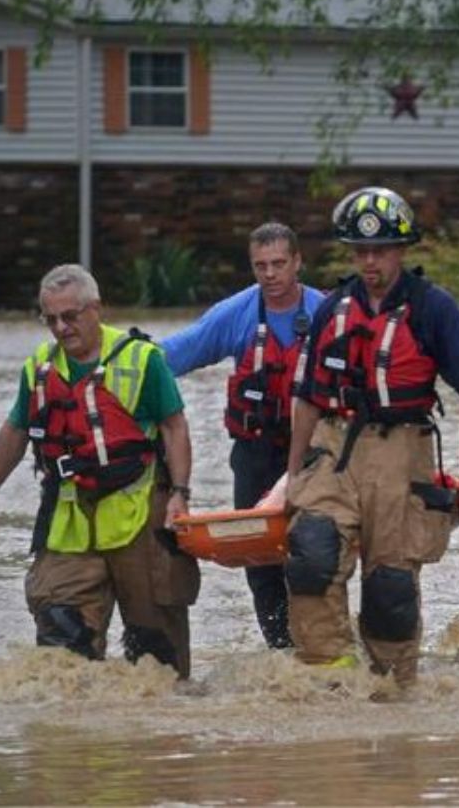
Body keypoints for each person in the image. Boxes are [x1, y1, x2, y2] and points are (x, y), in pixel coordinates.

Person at [284, 186, 459, 687]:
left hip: (401, 454)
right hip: (334, 447)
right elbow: (305, 396)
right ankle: (329, 681)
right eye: (361, 251)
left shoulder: (432, 308)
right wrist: (291, 472)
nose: (370, 261)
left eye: (381, 250)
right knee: (312, 553)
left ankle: (393, 691)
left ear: (402, 250)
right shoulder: (332, 309)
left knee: (390, 588)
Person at [0, 265, 199, 678]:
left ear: (95, 309)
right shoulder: (39, 369)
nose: (61, 328)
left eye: (70, 316)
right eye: (50, 319)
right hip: (70, 517)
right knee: (61, 658)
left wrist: (180, 493)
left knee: (157, 663)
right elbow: (16, 428)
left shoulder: (143, 360)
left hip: (138, 514)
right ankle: (74, 738)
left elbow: (175, 426)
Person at [161, 222, 325, 649]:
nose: (269, 275)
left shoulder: (327, 315)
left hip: (313, 457)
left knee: (315, 552)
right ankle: (281, 650)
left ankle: (320, 644)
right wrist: (117, 363)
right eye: (260, 266)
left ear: (297, 262)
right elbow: (170, 357)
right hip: (254, 454)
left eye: (278, 264)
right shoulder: (235, 314)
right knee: (261, 560)